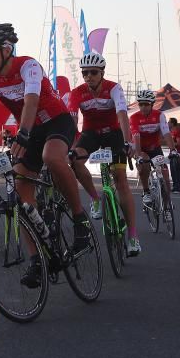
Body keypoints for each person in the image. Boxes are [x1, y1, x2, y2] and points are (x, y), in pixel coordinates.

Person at [0, 23, 89, 288]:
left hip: (55, 120)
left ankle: (80, 220)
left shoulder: (28, 66)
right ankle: (37, 260)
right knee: (20, 191)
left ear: (6, 50)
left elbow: (31, 102)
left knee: (52, 158)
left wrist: (24, 134)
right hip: (30, 130)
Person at [66, 52, 141, 255]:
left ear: (102, 73)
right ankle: (96, 199)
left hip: (114, 135)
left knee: (120, 180)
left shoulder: (113, 88)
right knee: (75, 161)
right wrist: (70, 147)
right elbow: (72, 123)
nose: (88, 76)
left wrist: (128, 141)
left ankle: (133, 237)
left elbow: (122, 114)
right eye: (85, 73)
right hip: (90, 135)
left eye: (93, 72)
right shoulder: (77, 92)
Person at [129, 88, 177, 210]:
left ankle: (166, 206)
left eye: (146, 104)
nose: (143, 107)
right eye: (141, 104)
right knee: (143, 163)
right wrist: (138, 155)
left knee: (166, 178)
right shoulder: (134, 118)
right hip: (141, 148)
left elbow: (166, 133)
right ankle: (146, 192)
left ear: (152, 104)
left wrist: (173, 150)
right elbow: (136, 137)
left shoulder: (159, 115)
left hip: (155, 148)